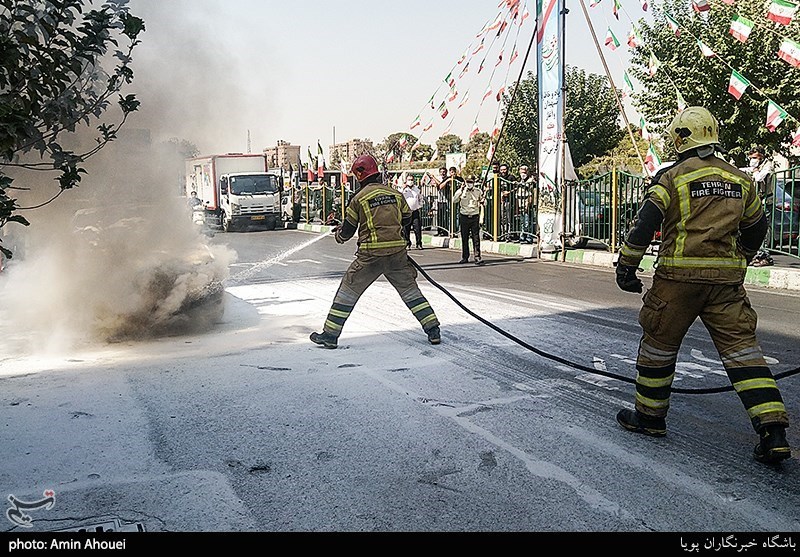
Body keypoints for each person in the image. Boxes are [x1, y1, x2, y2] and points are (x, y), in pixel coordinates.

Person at [614, 106, 791, 465]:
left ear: (681, 139)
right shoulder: (741, 180)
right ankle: (773, 431)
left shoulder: (672, 178)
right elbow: (758, 226)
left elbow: (644, 225)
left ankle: (649, 418)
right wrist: (741, 257)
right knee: (743, 351)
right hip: (725, 283)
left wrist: (627, 268)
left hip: (677, 281)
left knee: (658, 347)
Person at [310, 154, 441, 349]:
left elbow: (347, 231)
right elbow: (406, 219)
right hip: (397, 254)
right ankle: (433, 330)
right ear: (377, 173)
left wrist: (339, 235)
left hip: (370, 257)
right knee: (410, 291)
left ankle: (330, 335)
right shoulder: (395, 194)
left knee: (348, 291)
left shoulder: (359, 199)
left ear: (359, 177)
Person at [744, 146, 775, 267]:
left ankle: (765, 256)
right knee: (757, 228)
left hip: (767, 201)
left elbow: (759, 177)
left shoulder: (768, 166)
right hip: (758, 202)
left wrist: (755, 170)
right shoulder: (757, 166)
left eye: (755, 158)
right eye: (751, 158)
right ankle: (758, 255)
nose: (752, 160)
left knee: (764, 229)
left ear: (761, 157)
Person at [452, 176, 485, 265]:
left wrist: (483, 201)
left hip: (474, 216)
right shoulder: (461, 191)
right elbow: (454, 200)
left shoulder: (478, 191)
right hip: (464, 216)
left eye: (471, 181)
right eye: (468, 181)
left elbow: (483, 202)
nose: (469, 183)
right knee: (464, 238)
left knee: (476, 238)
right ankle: (465, 257)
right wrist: (460, 191)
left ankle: (477, 257)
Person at [401, 175, 423, 249]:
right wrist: (403, 188)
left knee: (417, 228)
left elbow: (420, 198)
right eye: (409, 180)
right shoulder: (403, 189)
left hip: (415, 211)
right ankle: (407, 243)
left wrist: (419, 206)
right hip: (406, 211)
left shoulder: (416, 189)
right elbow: (398, 195)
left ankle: (419, 243)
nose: (410, 181)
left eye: (412, 180)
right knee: (406, 228)